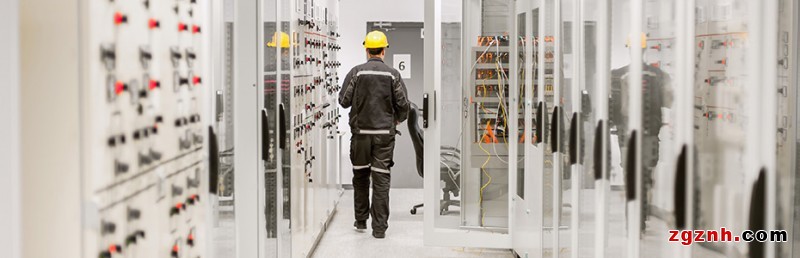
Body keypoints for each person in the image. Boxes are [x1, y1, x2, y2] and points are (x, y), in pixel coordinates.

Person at [339, 30, 410, 239]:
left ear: (366, 50)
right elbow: (404, 105)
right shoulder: (393, 74)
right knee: (381, 180)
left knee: (360, 176)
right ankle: (379, 229)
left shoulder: (355, 73)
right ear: (384, 51)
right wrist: (396, 119)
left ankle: (361, 221)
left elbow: (343, 101)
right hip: (384, 137)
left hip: (360, 136)